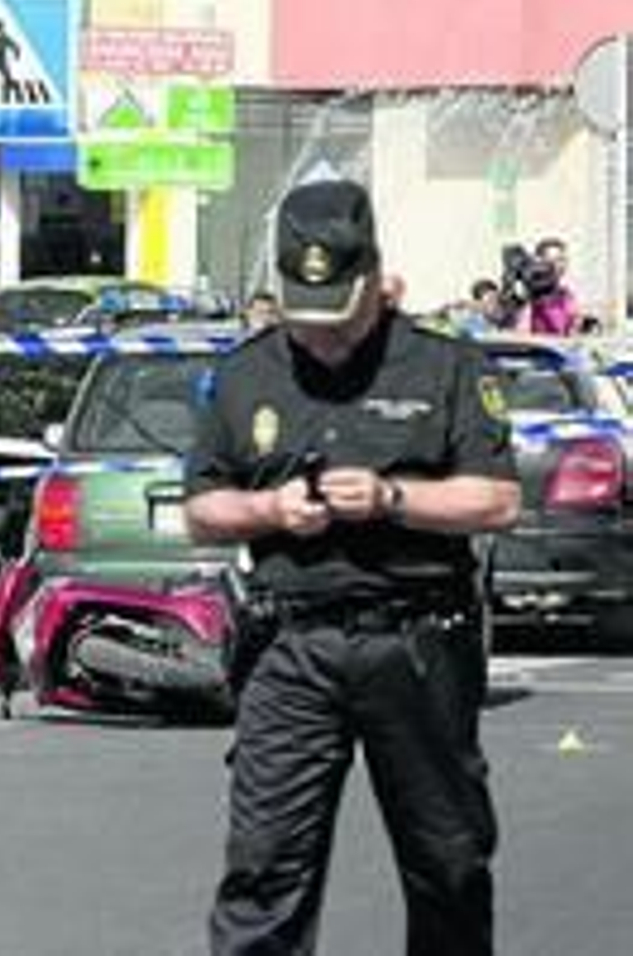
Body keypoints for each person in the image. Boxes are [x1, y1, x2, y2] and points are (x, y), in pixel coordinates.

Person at [185, 179, 520, 956]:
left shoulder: (445, 366)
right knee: (263, 867)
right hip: (290, 644)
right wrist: (270, 512)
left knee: (450, 861)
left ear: (374, 279)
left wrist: (391, 497)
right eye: (306, 322)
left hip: (418, 638)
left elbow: (498, 500)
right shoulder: (245, 374)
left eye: (338, 319)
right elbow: (202, 510)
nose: (322, 340)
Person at [527, 236, 578, 335]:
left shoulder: (567, 295)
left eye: (561, 259)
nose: (557, 265)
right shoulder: (530, 293)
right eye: (551, 260)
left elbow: (572, 329)